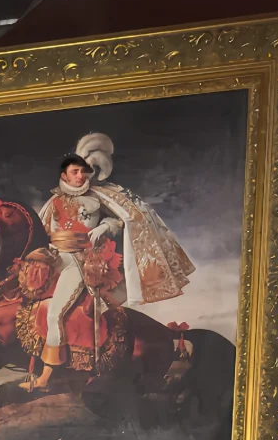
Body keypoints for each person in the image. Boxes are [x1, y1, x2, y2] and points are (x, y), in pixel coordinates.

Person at [30, 132, 194, 389]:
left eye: (84, 172)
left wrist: (104, 226)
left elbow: (123, 219)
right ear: (64, 175)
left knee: (55, 313)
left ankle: (47, 376)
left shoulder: (99, 197)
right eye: (75, 172)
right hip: (55, 259)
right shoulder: (53, 202)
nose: (80, 176)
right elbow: (43, 232)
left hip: (81, 261)